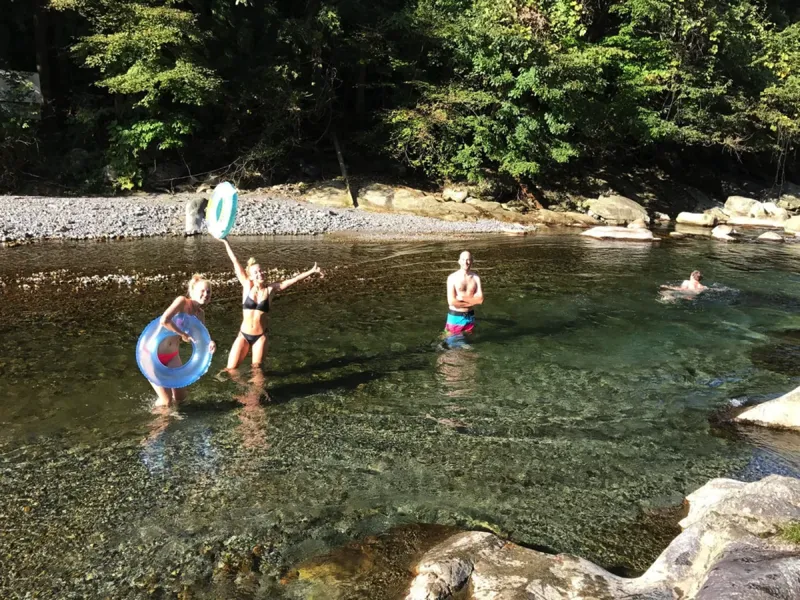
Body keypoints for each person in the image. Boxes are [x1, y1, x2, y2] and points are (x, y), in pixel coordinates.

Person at [220, 238, 324, 369]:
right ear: (250, 276)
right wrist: (226, 242)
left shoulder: (271, 290)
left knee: (257, 372)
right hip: (243, 335)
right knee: (230, 370)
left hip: (260, 337)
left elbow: (293, 280)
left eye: (261, 271)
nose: (260, 273)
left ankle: (256, 390)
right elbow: (234, 261)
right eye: (256, 272)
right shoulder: (247, 285)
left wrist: (312, 271)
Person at [151, 274, 216, 407]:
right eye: (202, 291)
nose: (206, 294)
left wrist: (210, 343)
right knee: (166, 401)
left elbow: (199, 340)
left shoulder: (200, 314)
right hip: (153, 354)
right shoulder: (181, 302)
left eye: (208, 292)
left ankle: (176, 423)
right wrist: (182, 333)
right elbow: (164, 320)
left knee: (181, 399)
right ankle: (157, 424)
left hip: (172, 356)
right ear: (192, 292)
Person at [444, 251, 484, 344]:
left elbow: (480, 300)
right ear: (459, 261)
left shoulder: (476, 278)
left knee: (468, 341)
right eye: (463, 259)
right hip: (455, 316)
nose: (465, 262)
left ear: (472, 261)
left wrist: (462, 298)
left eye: (468, 260)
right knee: (452, 344)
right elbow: (452, 302)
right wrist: (473, 300)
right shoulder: (452, 278)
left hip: (470, 316)